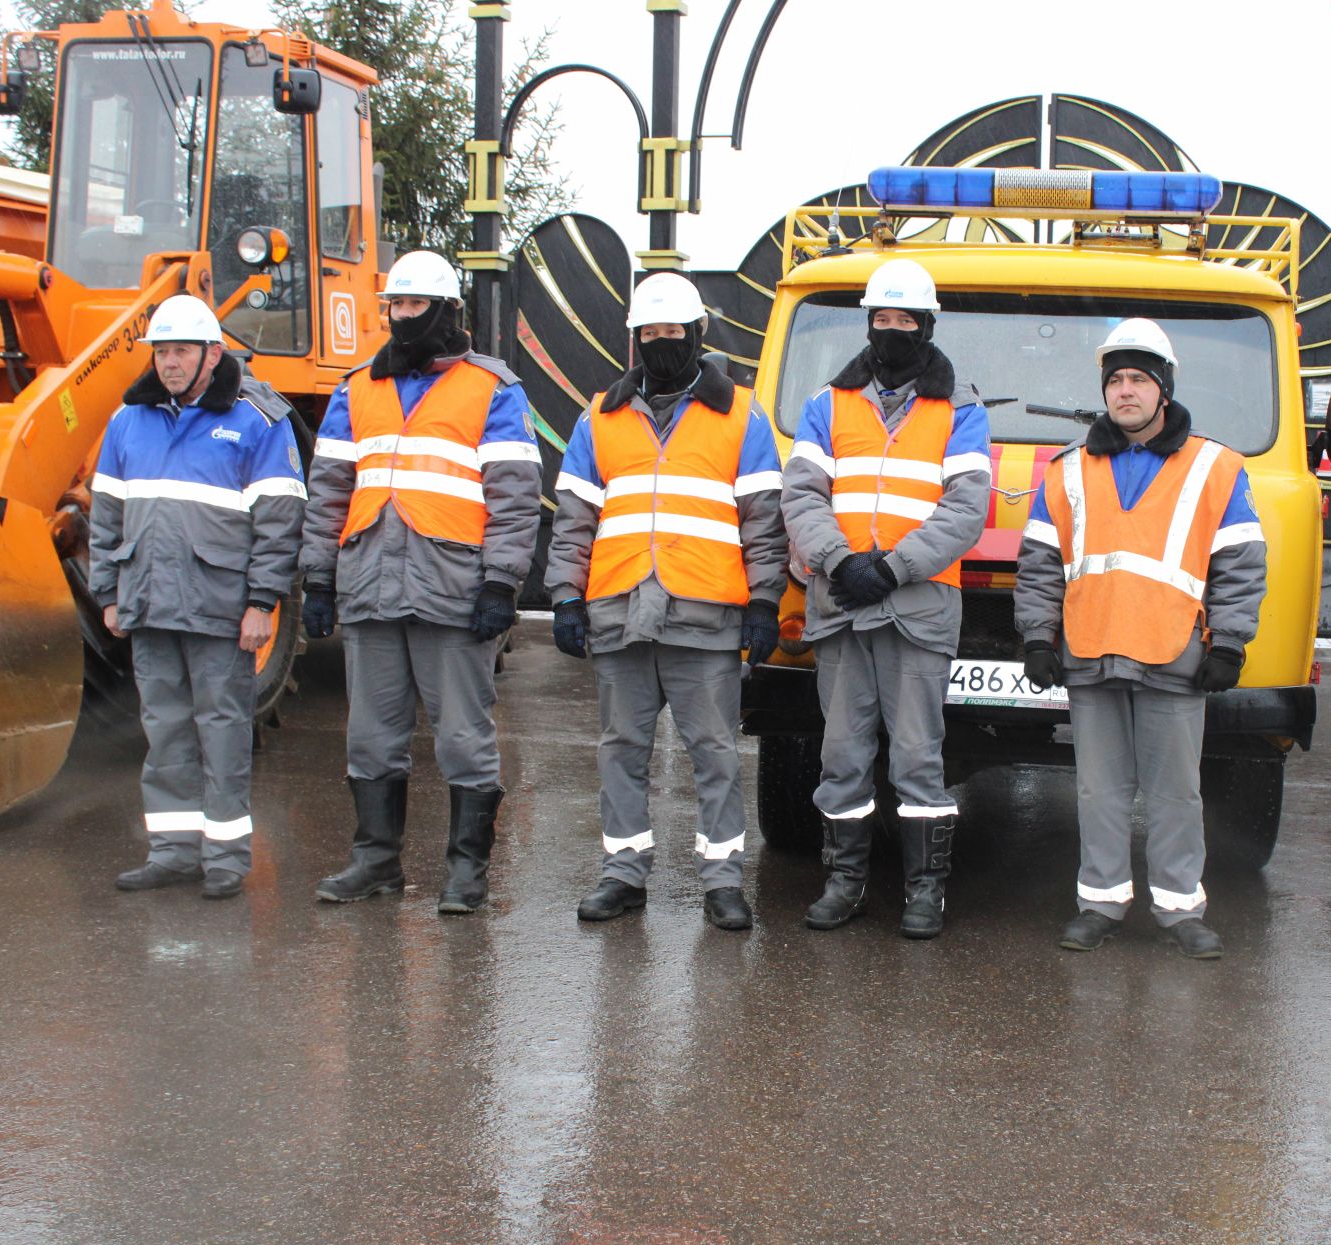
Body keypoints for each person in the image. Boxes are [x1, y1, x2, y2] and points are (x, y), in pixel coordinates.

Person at [1013, 318, 1266, 958]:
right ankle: (1101, 902)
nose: (1125, 391)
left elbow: (1240, 561)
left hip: (1172, 653)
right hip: (1092, 651)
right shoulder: (1067, 470)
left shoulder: (1216, 466)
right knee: (1099, 792)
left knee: (1175, 792)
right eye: (1116, 380)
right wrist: (1038, 638)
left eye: (1139, 380)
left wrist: (1230, 644)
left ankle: (1181, 909)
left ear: (1164, 388)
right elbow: (1041, 561)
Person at [300, 250, 542, 915]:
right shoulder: (356, 389)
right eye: (395, 307)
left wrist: (502, 583)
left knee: (463, 737)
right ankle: (374, 860)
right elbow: (328, 492)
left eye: (414, 307)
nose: (402, 319)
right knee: (371, 737)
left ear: (446, 312)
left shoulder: (493, 389)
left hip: (453, 591)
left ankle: (466, 872)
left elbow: (516, 498)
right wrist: (318, 579)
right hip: (371, 585)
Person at [545, 272, 787, 931]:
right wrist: (565, 596)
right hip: (620, 609)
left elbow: (763, 520)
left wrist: (765, 603)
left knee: (713, 750)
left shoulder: (741, 415)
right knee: (621, 746)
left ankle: (722, 881)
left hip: (704, 614)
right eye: (648, 334)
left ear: (696, 337)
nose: (660, 345)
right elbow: (573, 518)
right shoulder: (601, 415)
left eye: (671, 334)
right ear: (633, 340)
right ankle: (622, 873)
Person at [780, 258, 991, 940]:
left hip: (916, 606)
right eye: (881, 319)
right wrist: (841, 561)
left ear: (927, 326)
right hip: (842, 601)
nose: (892, 330)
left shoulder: (962, 409)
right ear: (868, 323)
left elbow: (966, 511)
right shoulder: (826, 404)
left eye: (905, 320)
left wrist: (894, 568)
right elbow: (801, 495)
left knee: (917, 759)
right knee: (841, 752)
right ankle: (844, 882)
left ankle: (924, 891)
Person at [90, 294, 307, 899]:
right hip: (150, 603)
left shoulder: (256, 420)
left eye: (181, 350)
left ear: (213, 352)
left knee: (223, 732)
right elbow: (105, 516)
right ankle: (171, 853)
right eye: (161, 351)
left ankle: (226, 859)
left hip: (219, 610)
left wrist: (263, 603)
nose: (170, 362)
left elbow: (279, 520)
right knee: (164, 732)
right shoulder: (127, 421)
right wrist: (107, 592)